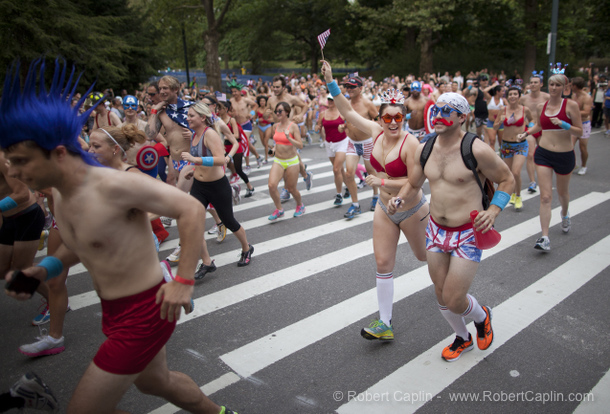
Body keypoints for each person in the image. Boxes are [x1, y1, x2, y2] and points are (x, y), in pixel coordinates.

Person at [1, 59, 237, 414]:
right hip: (116, 309)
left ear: (60, 153)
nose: (13, 171)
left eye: (21, 161)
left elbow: (190, 210)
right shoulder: (61, 192)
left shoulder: (115, 185)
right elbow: (83, 244)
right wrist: (43, 269)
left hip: (146, 312)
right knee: (156, 382)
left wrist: (184, 280)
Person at [389, 92, 514, 362]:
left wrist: (493, 210)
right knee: (440, 291)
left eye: (448, 111)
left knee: (455, 298)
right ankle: (462, 337)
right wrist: (399, 198)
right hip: (435, 229)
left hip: (468, 233)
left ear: (462, 117)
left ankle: (482, 317)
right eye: (437, 110)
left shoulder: (476, 149)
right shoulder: (426, 147)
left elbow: (507, 179)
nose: (439, 116)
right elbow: (413, 183)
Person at [322, 61, 429, 341]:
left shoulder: (412, 144)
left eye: (398, 118)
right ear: (380, 119)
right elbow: (346, 109)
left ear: (403, 119)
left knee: (425, 256)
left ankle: (452, 275)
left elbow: (416, 182)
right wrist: (331, 81)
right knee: (383, 263)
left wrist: (382, 183)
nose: (393, 123)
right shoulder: (375, 132)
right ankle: (385, 323)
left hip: (412, 209)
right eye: (388, 118)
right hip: (384, 208)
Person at [180, 101, 254, 273]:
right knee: (192, 224)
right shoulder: (194, 135)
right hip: (199, 186)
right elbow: (201, 158)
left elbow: (220, 159)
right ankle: (207, 262)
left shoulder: (210, 134)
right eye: (188, 115)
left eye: (191, 115)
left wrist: (196, 161)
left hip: (217, 186)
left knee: (229, 222)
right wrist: (194, 170)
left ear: (202, 117)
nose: (188, 118)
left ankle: (246, 247)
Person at [518, 71, 583, 251]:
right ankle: (544, 237)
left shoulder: (571, 106)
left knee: (563, 194)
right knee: (545, 196)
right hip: (544, 153)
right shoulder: (541, 106)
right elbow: (539, 125)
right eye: (551, 84)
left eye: (558, 85)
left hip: (564, 154)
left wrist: (564, 124)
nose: (554, 88)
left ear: (565, 87)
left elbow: (579, 131)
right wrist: (526, 133)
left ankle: (564, 214)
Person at [341, 76, 380, 212]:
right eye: (347, 86)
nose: (349, 89)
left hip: (368, 142)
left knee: (371, 172)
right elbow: (348, 120)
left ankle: (376, 196)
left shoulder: (368, 103)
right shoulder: (346, 103)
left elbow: (378, 120)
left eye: (352, 86)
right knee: (349, 174)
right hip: (352, 142)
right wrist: (344, 126)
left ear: (361, 88)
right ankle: (355, 204)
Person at [493, 84, 534, 211]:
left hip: (520, 144)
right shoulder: (503, 110)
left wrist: (526, 132)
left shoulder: (524, 110)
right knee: (509, 173)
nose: (512, 96)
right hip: (506, 145)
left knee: (516, 172)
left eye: (515, 94)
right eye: (510, 94)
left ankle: (518, 196)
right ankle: (510, 195)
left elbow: (533, 122)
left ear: (519, 96)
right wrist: (499, 121)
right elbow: (494, 127)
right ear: (507, 96)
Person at [267, 102, 305, 220]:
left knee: (291, 189)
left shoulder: (293, 126)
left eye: (280, 111)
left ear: (287, 112)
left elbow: (300, 145)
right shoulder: (275, 126)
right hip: (278, 160)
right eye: (276, 111)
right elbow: (277, 143)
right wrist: (273, 149)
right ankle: (279, 209)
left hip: (292, 161)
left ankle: (300, 205)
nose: (277, 113)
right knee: (271, 185)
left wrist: (289, 138)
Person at [315, 94, 352, 215]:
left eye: (332, 100)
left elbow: (350, 124)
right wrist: (317, 127)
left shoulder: (342, 112)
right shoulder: (322, 114)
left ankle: (338, 195)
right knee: (340, 169)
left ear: (336, 101)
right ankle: (349, 188)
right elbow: (318, 125)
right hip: (329, 144)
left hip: (342, 142)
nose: (330, 102)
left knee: (336, 169)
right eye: (329, 100)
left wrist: (344, 126)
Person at [520, 72, 550, 193]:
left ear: (541, 84)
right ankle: (532, 182)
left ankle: (544, 178)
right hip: (529, 128)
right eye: (531, 82)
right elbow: (519, 111)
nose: (532, 84)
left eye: (535, 82)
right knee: (531, 155)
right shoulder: (524, 98)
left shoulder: (546, 97)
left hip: (543, 128)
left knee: (544, 154)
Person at [570, 77, 593, 175]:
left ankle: (584, 165)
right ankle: (573, 163)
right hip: (574, 123)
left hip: (584, 124)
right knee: (569, 146)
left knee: (582, 147)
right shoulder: (573, 95)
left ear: (575, 86)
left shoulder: (586, 97)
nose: (570, 86)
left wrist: (573, 112)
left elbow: (586, 112)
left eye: (571, 85)